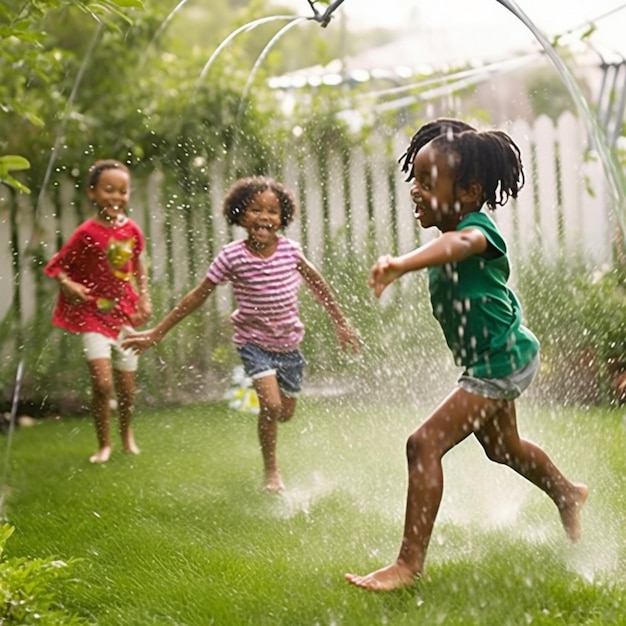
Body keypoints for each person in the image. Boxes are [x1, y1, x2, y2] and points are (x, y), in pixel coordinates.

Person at [345, 118, 588, 591]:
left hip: (503, 361)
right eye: (414, 178)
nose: (415, 190)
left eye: (428, 182)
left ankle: (408, 565)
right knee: (503, 449)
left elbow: (462, 245)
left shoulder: (477, 229)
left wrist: (401, 264)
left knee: (423, 444)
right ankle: (566, 493)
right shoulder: (453, 226)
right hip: (494, 359)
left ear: (471, 191)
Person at [121, 176, 360, 492]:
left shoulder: (290, 251)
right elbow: (198, 295)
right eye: (255, 209)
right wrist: (158, 332)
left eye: (272, 211)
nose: (264, 217)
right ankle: (271, 471)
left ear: (283, 217)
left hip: (289, 344)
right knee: (271, 407)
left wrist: (340, 322)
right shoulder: (231, 256)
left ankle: (274, 433)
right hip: (253, 343)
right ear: (239, 214)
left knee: (285, 413)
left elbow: (318, 284)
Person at [44, 159, 152, 464]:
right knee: (103, 384)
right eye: (108, 190)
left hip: (125, 315)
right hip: (92, 314)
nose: (116, 197)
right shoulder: (86, 232)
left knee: (128, 389)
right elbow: (58, 265)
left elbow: (138, 264)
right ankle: (104, 444)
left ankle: (127, 436)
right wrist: (69, 284)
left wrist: (144, 297)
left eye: (123, 191)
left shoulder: (132, 230)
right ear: (92, 193)